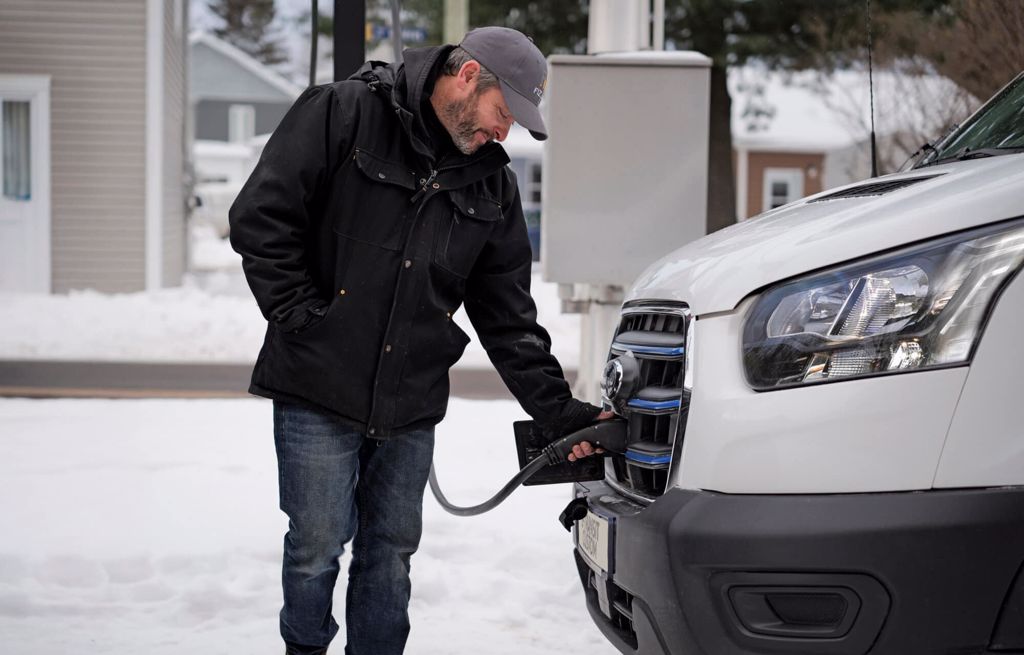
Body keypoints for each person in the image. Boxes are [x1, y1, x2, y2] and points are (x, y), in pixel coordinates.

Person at [229, 26, 609, 655]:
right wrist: (303, 318)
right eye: (503, 112)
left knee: (391, 553)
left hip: (410, 403)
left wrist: (560, 412)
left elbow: (508, 316)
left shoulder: (492, 186)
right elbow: (261, 218)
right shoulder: (345, 112)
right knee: (316, 546)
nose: (504, 132)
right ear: (468, 77)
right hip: (316, 384)